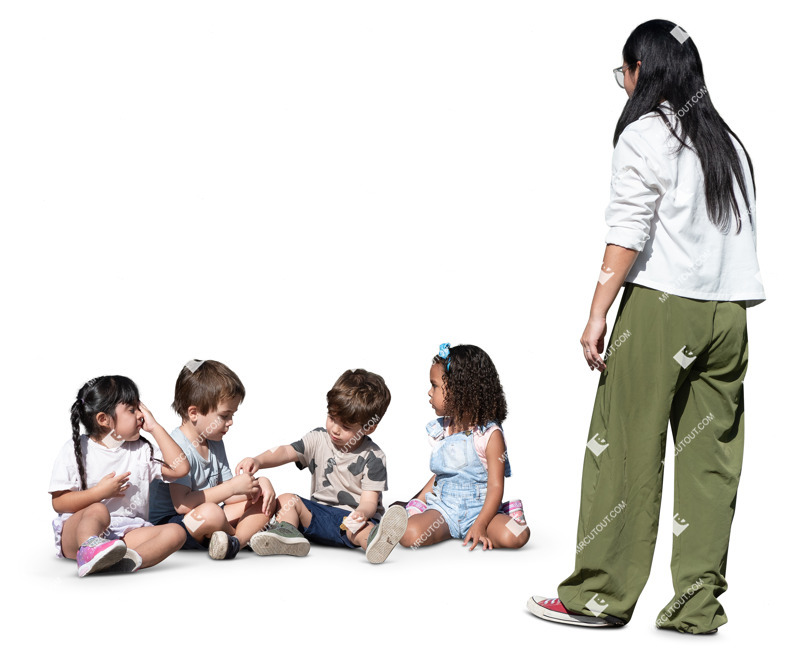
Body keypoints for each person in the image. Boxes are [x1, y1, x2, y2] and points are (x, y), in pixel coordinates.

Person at [527, 19, 764, 634]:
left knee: (625, 450)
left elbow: (629, 230)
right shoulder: (726, 143)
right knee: (711, 464)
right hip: (729, 317)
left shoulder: (647, 133)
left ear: (642, 71)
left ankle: (597, 597)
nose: (622, 84)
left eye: (623, 71)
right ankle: (697, 608)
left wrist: (597, 312)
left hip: (661, 310)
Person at [238, 369, 407, 564]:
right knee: (286, 500)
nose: (335, 429)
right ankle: (288, 535)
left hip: (351, 520)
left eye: (346, 427)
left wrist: (361, 514)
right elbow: (285, 451)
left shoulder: (373, 457)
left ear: (369, 427)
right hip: (316, 516)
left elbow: (369, 502)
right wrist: (258, 460)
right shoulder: (318, 438)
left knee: (359, 528)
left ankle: (373, 541)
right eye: (332, 418)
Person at [49, 375, 190, 576]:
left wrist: (155, 427)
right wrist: (99, 493)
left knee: (176, 532)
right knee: (98, 510)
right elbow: (59, 502)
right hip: (78, 533)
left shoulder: (142, 450)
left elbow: (180, 469)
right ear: (103, 419)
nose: (140, 415)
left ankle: (123, 561)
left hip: (125, 533)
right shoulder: (77, 449)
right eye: (132, 410)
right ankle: (90, 552)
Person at [398, 343, 530, 551]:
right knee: (408, 535)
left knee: (517, 535)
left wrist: (481, 524)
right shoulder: (443, 429)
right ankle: (417, 511)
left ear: (460, 390)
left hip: (482, 510)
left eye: (434, 386)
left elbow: (496, 486)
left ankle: (509, 512)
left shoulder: (489, 435)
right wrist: (416, 500)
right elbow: (440, 476)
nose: (429, 393)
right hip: (444, 510)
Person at [149, 360, 275, 560]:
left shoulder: (214, 441)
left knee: (264, 501)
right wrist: (232, 488)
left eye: (232, 415)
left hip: (210, 514)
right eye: (224, 416)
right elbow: (182, 505)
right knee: (211, 513)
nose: (230, 422)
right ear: (194, 413)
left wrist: (257, 485)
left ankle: (235, 543)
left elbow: (228, 495)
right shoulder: (176, 448)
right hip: (176, 525)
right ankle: (246, 534)